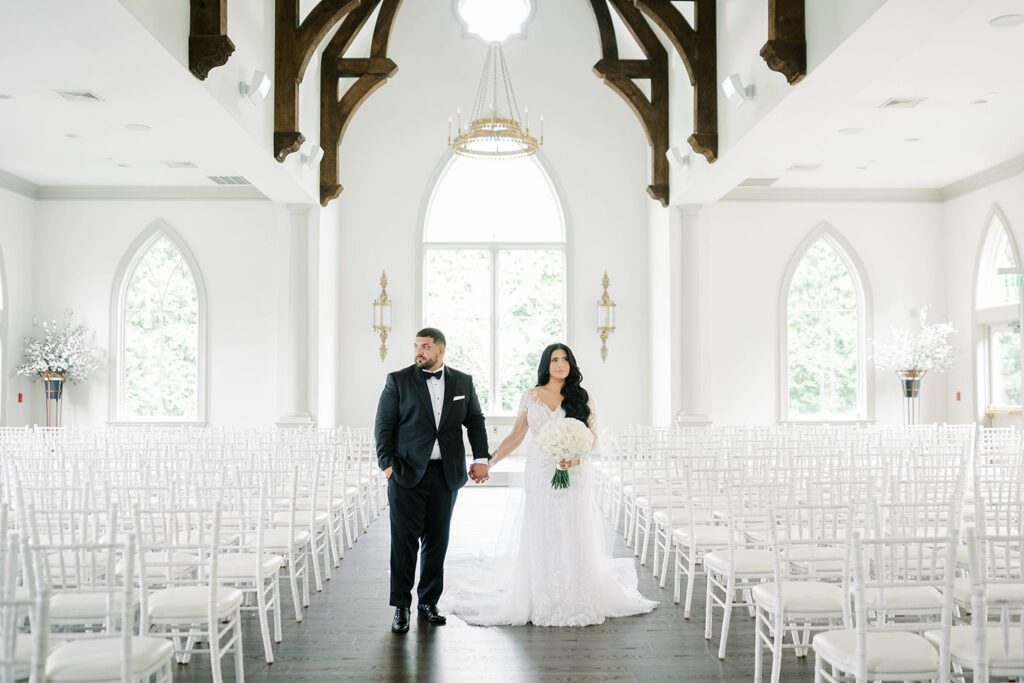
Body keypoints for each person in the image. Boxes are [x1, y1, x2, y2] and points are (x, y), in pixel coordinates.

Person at [440, 343, 658, 627]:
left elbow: (592, 438)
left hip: (576, 472)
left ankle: (577, 593)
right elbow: (516, 436)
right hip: (541, 472)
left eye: (565, 359)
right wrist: (489, 462)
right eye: (554, 359)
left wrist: (574, 459)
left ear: (571, 364)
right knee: (543, 527)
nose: (560, 364)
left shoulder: (582, 396)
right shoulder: (531, 396)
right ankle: (542, 594)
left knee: (574, 526)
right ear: (546, 364)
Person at [374, 328, 491, 634]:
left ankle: (428, 602)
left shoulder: (463, 381)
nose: (419, 351)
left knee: (437, 541)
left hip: (446, 473)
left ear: (441, 350)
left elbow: (475, 421)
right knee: (404, 542)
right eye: (416, 346)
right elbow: (383, 425)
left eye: (425, 346)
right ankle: (401, 606)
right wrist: (387, 466)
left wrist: (481, 458)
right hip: (406, 473)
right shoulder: (398, 380)